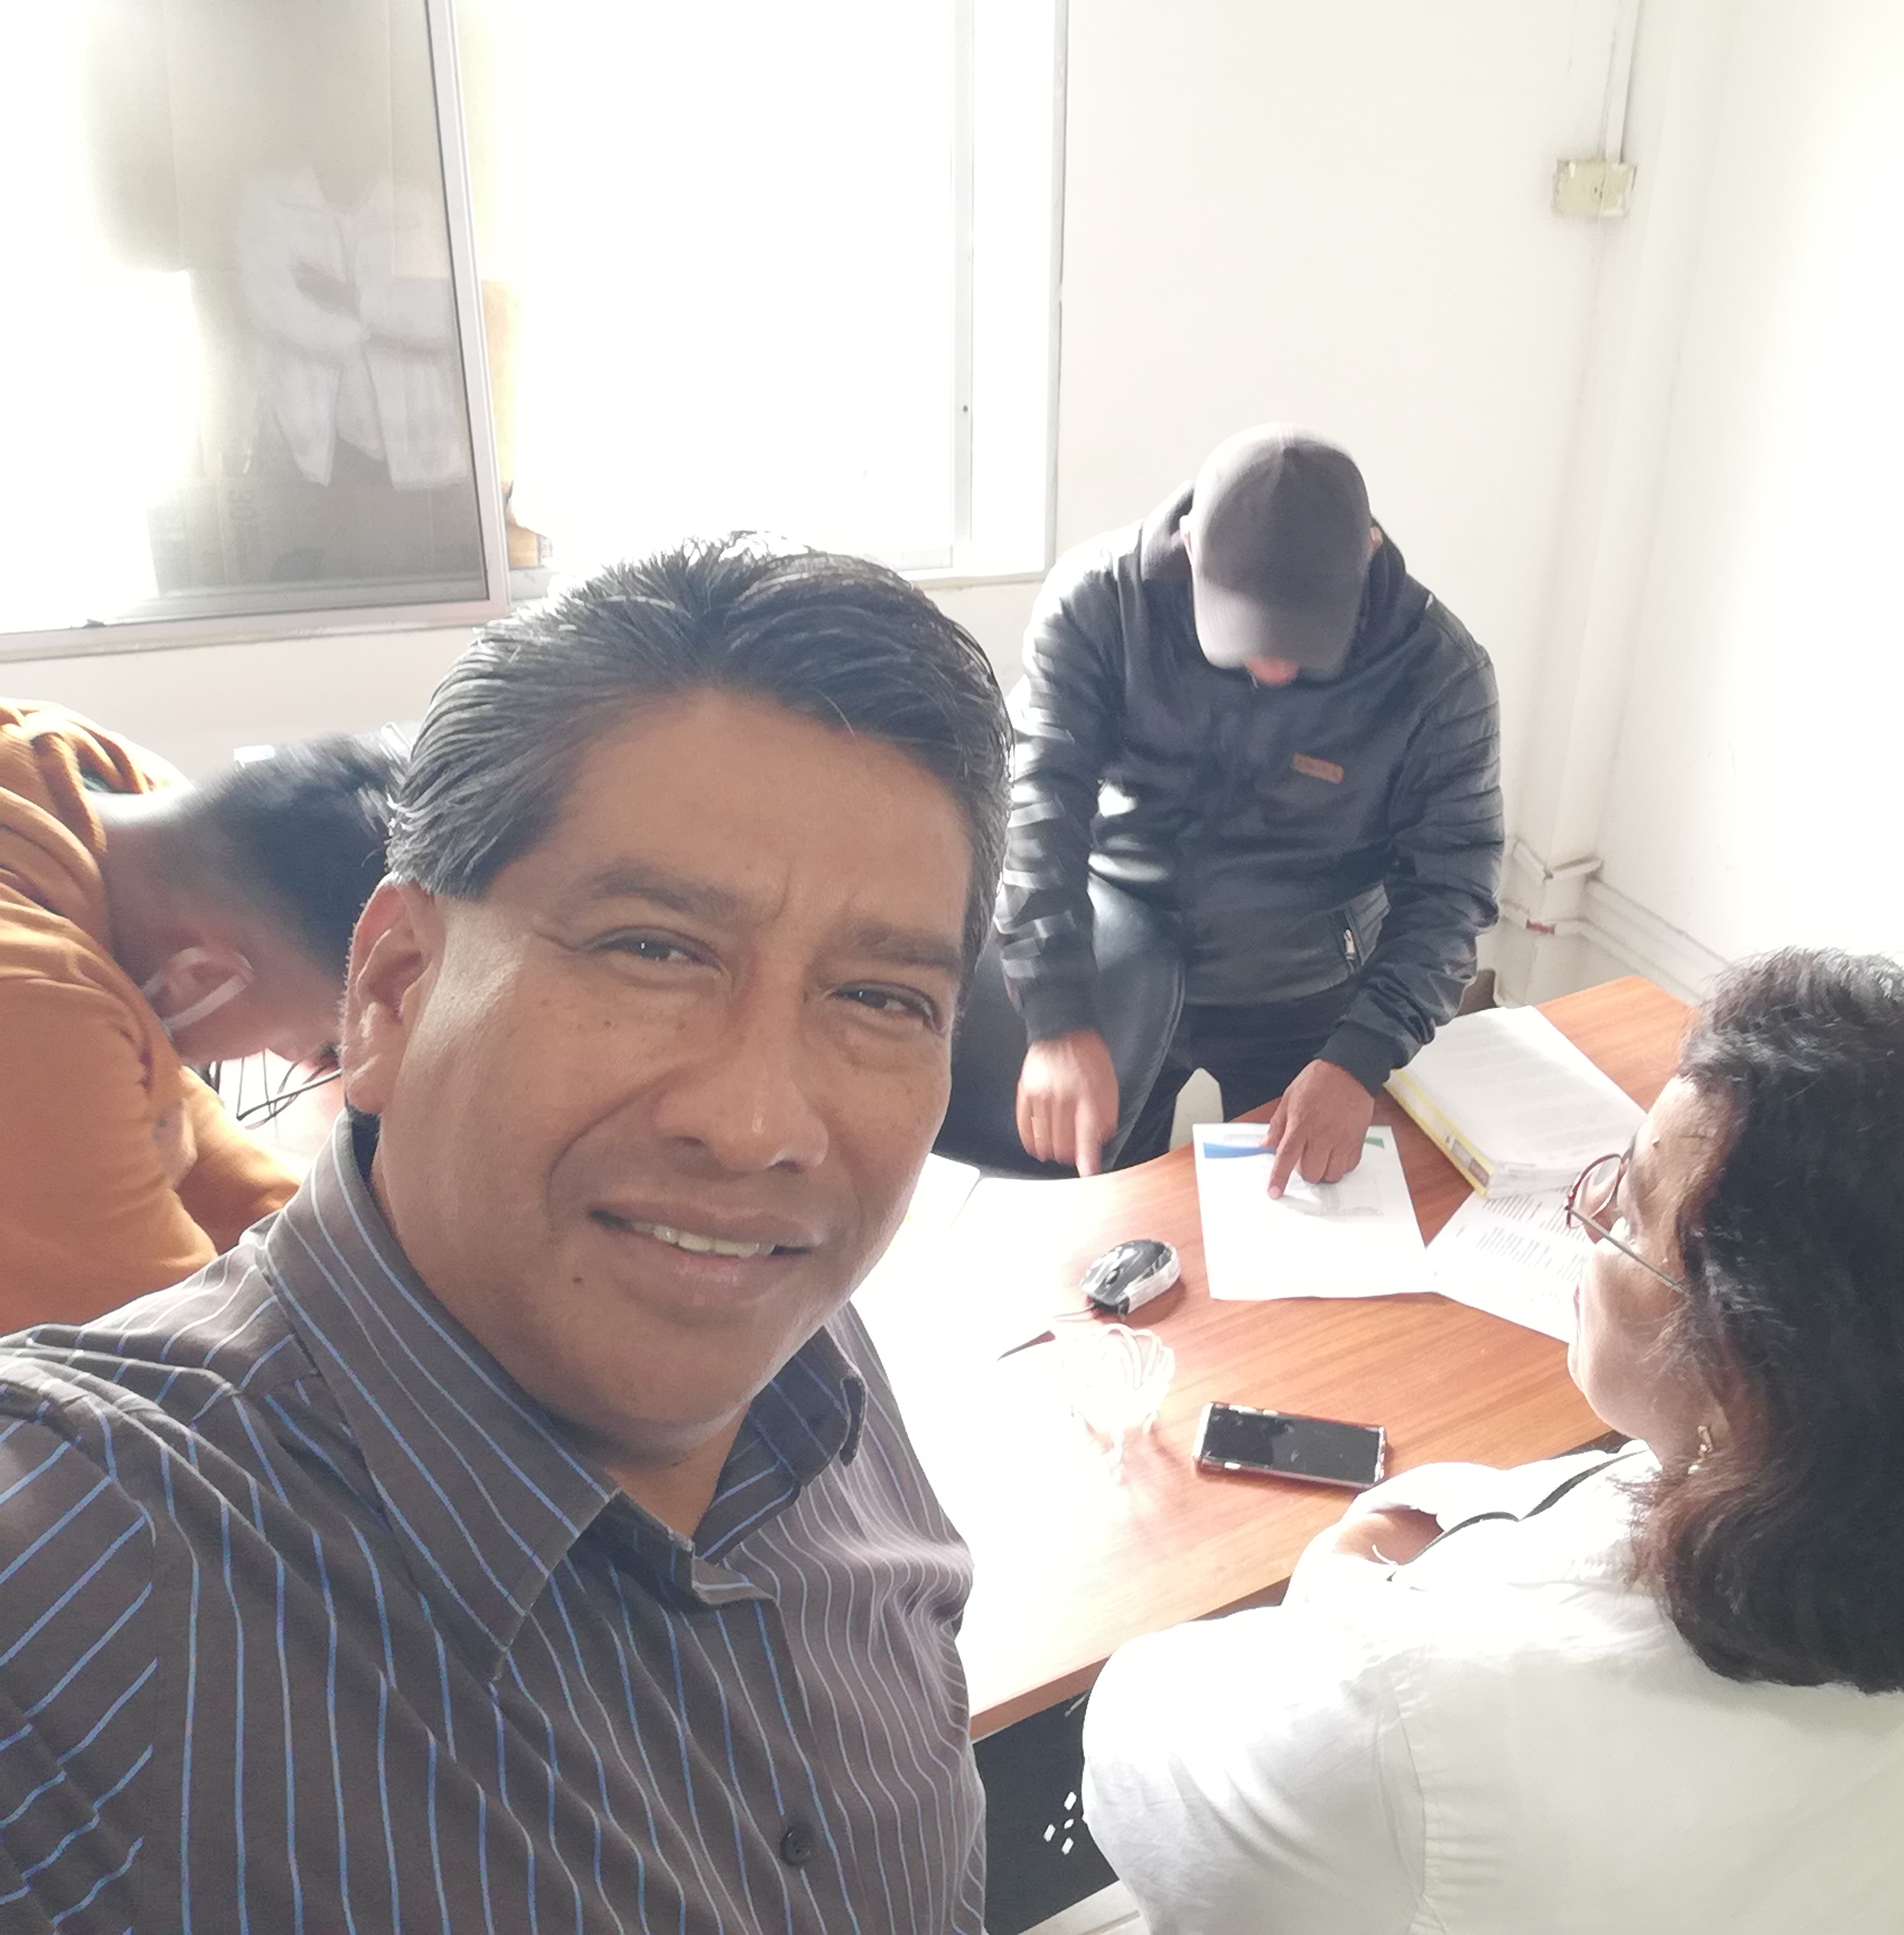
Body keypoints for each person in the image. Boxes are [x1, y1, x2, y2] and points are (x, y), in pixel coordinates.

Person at [0, 539, 1009, 1932]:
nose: (758, 1127)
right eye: (652, 948)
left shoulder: (814, 1367)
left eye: (882, 998)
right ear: (391, 989)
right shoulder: (70, 1580)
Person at [1082, 950, 1904, 1934]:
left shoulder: (1413, 1715)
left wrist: (1339, 1572)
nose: (1584, 1214)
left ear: (1743, 1375)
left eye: (1630, 1212)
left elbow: (1130, 1763)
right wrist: (1452, 1514)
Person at [1001, 423, 1503, 1189]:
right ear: (1190, 548)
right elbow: (1040, 801)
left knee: (1299, 1215)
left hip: (1307, 988)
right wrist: (1057, 1011)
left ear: (1368, 556)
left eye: (1305, 641)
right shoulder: (1100, 601)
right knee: (1103, 1211)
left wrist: (1360, 1057)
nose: (1272, 668)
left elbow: (1452, 889)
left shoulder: (1440, 674)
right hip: (1120, 962)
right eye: (1243, 634)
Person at [0, 702, 400, 1322]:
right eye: (311, 1034)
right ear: (202, 975)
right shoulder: (33, 1002)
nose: (298, 1055)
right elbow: (168, 1336)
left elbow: (172, 1118)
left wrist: (365, 1247)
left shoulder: (110, 788)